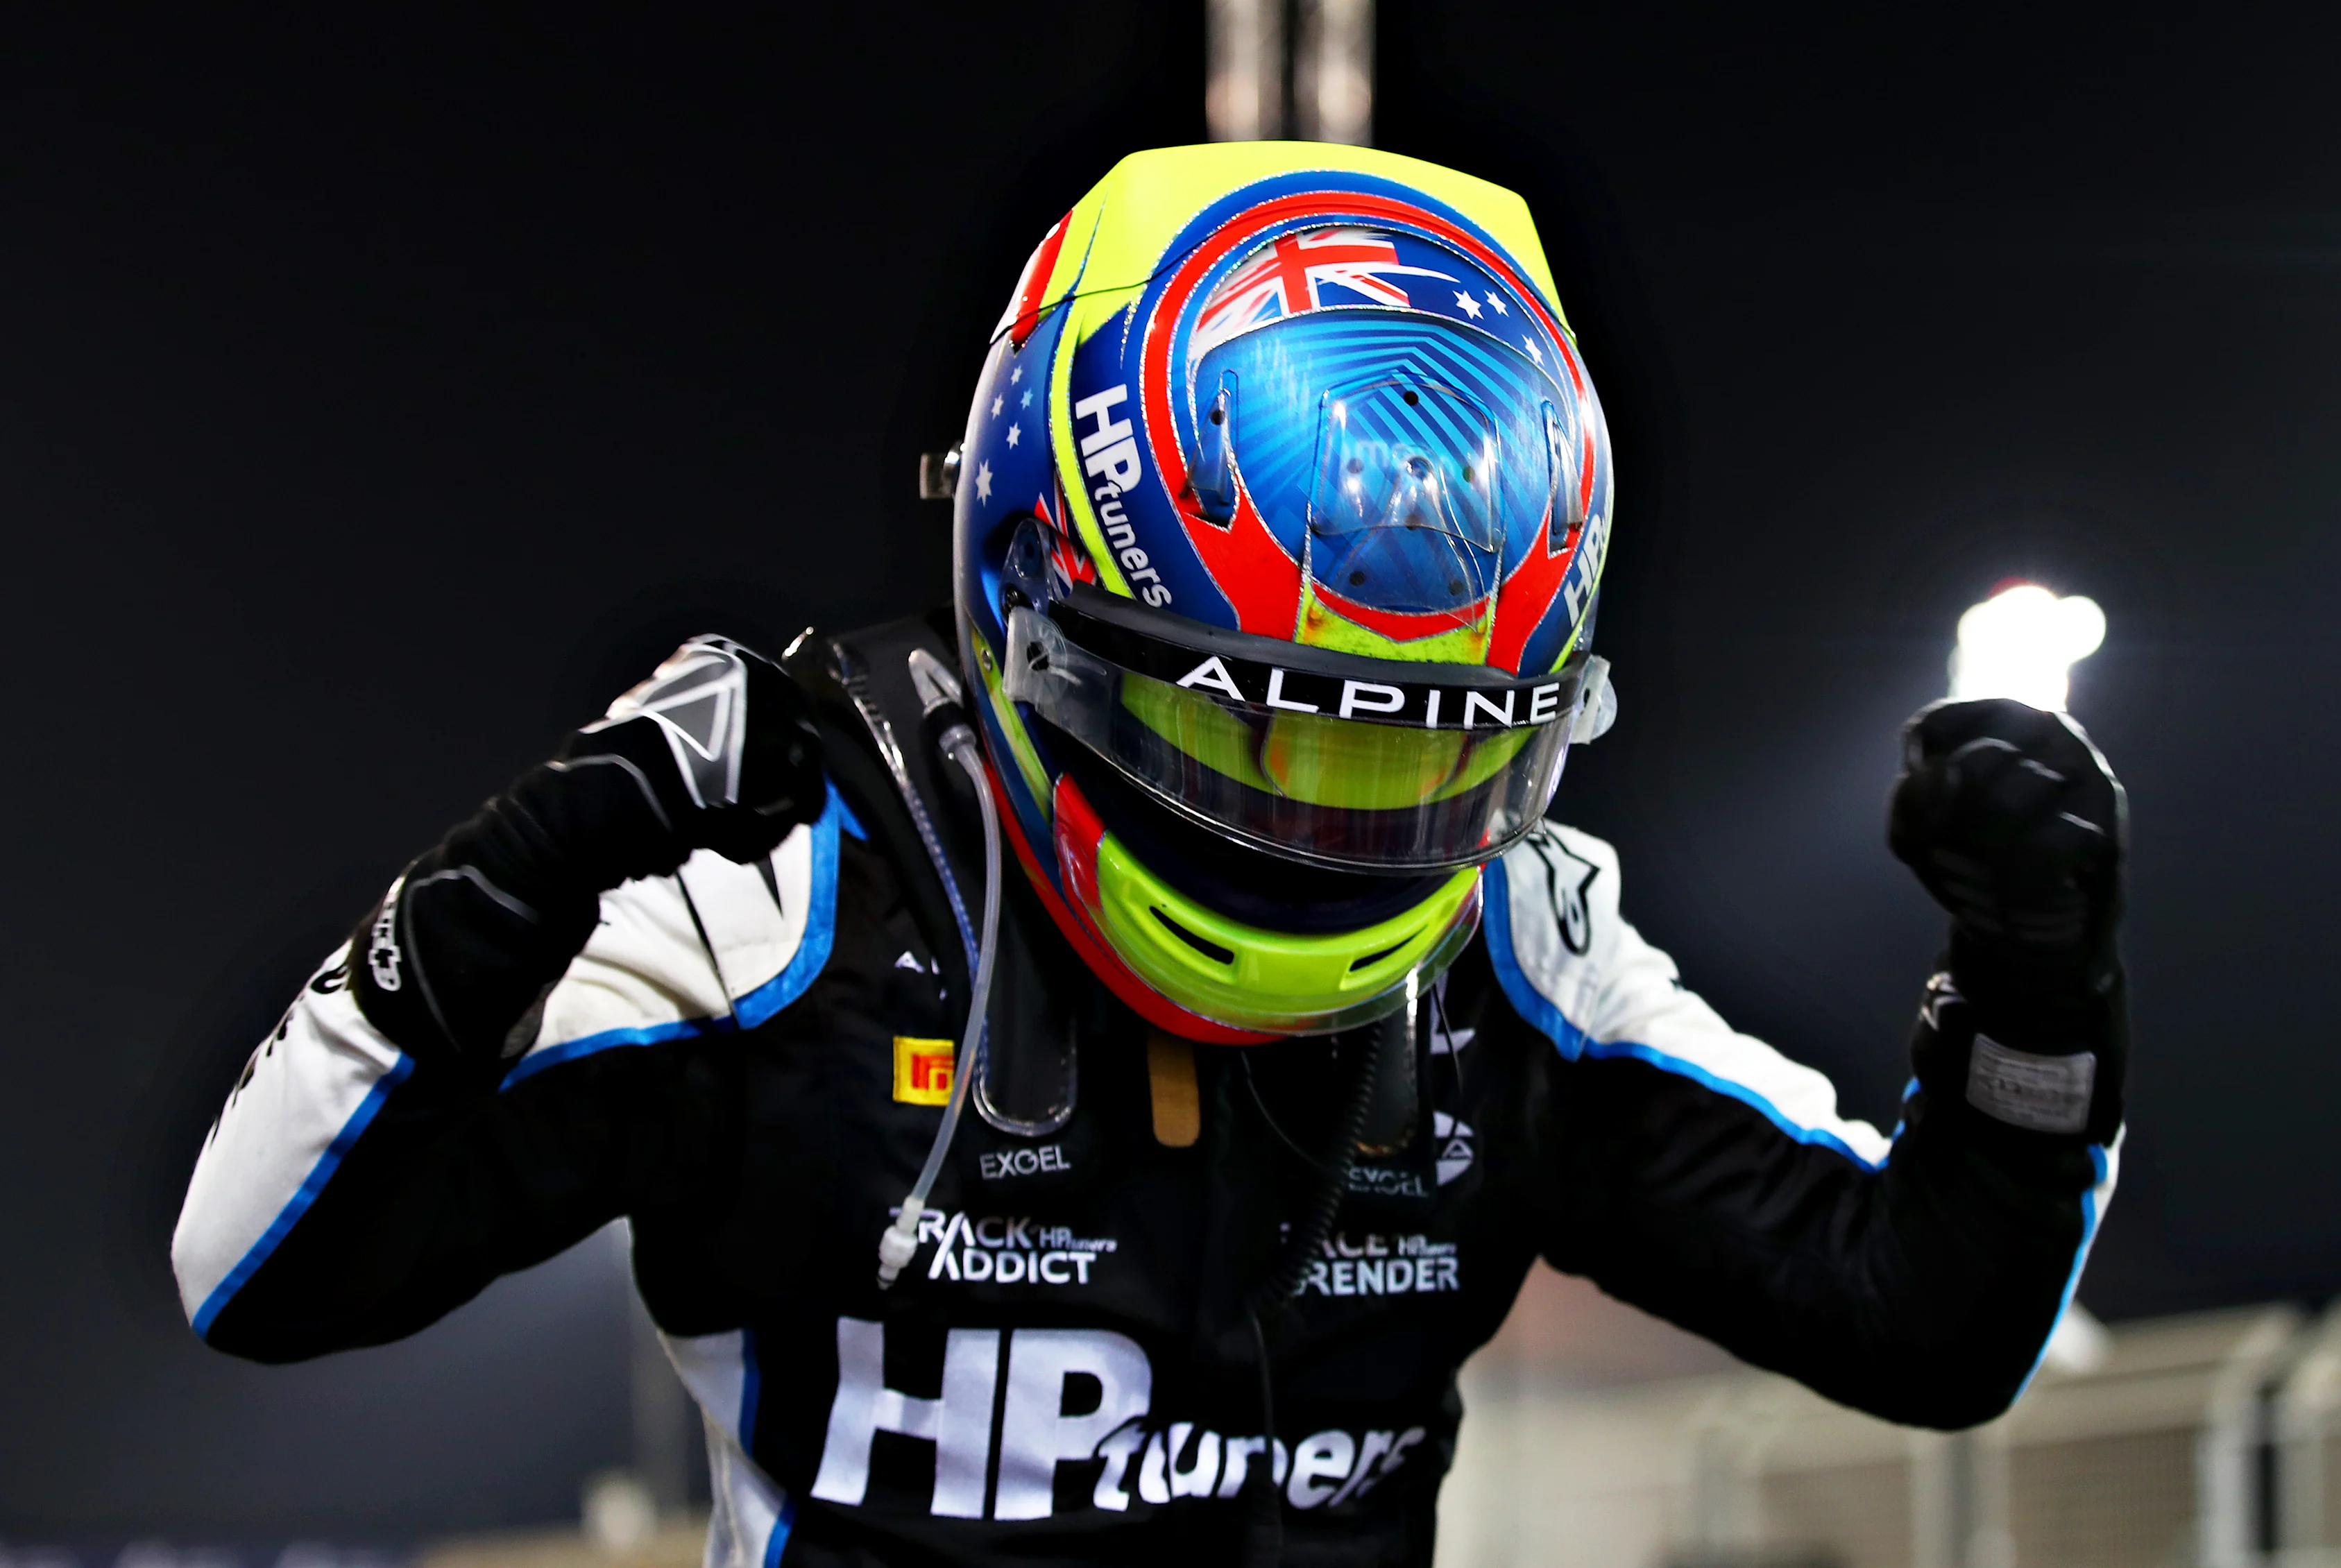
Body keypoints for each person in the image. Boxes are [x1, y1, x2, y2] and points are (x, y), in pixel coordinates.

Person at [173, 144, 2127, 1568]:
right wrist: (534, 855)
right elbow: (255, 1265)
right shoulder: (793, 888)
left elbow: (1933, 1321)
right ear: (1028, 593)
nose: (1308, 837)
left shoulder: (1517, 946)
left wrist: (2040, 1005)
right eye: (1235, 724)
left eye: (1405, 763)